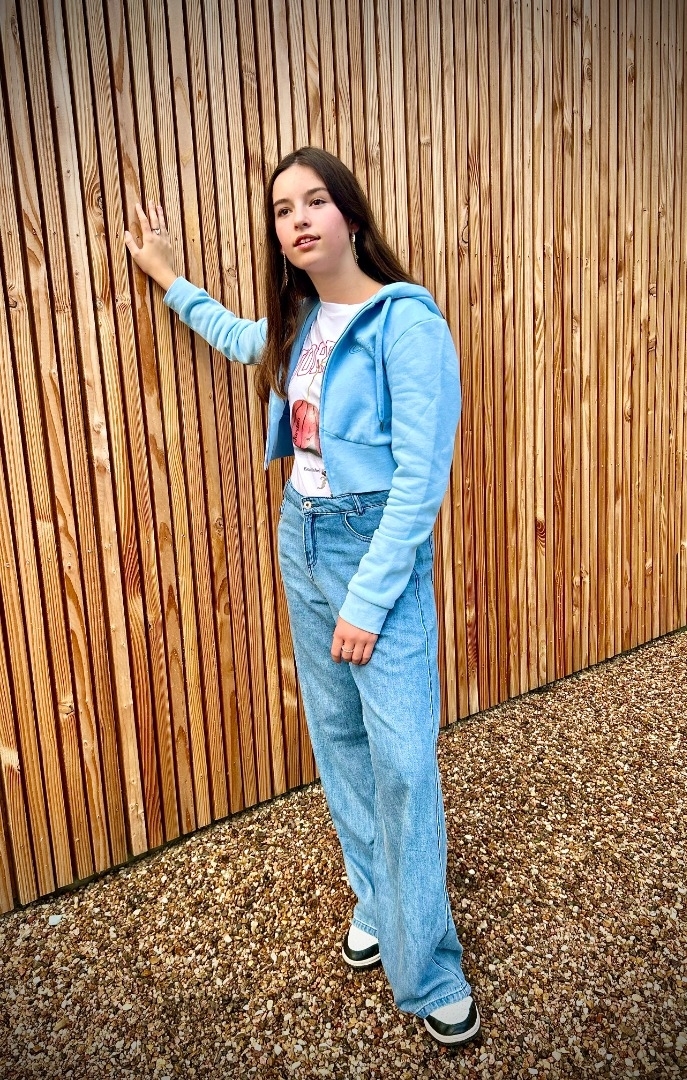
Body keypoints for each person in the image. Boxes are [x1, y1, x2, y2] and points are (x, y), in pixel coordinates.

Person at [124, 146, 479, 1048]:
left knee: (404, 762)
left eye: (314, 201)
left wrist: (368, 599)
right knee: (341, 743)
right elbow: (240, 338)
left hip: (373, 549)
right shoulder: (301, 321)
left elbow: (420, 481)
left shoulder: (406, 321)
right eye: (283, 210)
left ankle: (428, 968)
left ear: (349, 216)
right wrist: (168, 277)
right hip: (302, 536)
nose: (298, 219)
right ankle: (377, 900)